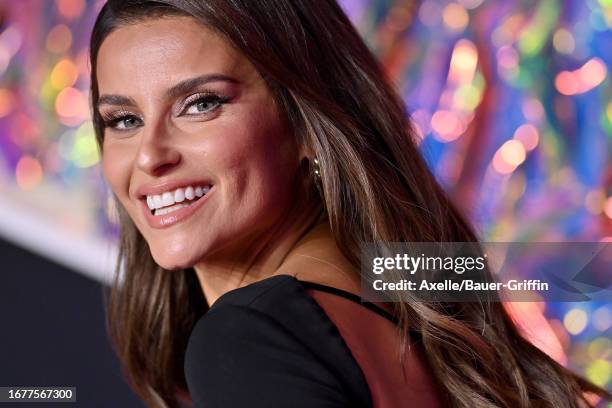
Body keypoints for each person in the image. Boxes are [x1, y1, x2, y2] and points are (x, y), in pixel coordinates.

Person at [89, 1, 611, 407]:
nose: (151, 156)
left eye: (201, 104)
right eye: (123, 120)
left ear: (306, 125)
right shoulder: (418, 278)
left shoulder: (247, 339)